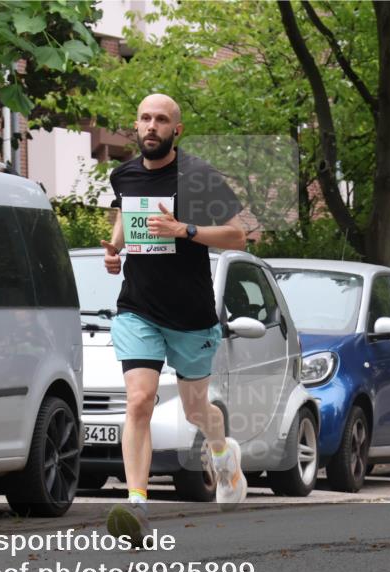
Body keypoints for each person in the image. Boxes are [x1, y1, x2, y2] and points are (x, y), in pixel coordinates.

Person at [101, 94, 249, 545]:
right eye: (145, 118)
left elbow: (239, 236)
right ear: (136, 125)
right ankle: (138, 506)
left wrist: (185, 229)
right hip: (138, 308)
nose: (152, 126)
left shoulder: (199, 177)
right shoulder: (124, 174)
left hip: (190, 314)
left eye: (161, 120)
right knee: (139, 400)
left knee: (196, 411)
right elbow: (125, 215)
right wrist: (115, 249)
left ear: (176, 130)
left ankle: (223, 455)